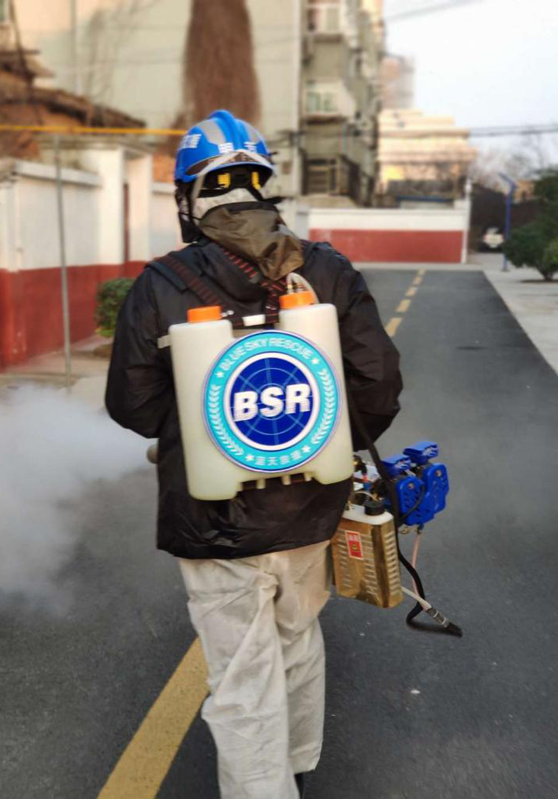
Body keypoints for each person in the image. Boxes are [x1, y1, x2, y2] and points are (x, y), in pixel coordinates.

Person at [105, 109, 402, 799]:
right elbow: (378, 384)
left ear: (189, 198)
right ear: (262, 185)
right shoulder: (326, 269)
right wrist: (324, 436)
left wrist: (198, 423)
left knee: (242, 677)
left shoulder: (161, 284)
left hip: (212, 517)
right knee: (297, 633)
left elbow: (131, 405)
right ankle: (297, 761)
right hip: (312, 503)